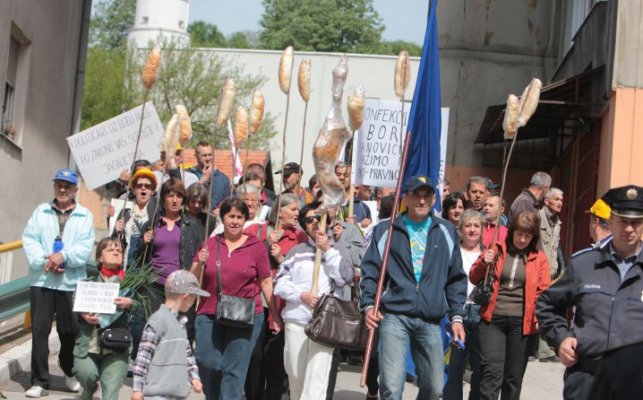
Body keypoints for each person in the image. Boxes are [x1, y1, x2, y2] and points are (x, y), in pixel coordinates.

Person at [361, 175, 467, 399]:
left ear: (434, 198)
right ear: (405, 198)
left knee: (435, 387)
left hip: (431, 318)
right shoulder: (386, 230)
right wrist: (369, 305)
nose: (421, 200)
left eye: (426, 195)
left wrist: (457, 317)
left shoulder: (447, 232)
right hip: (394, 316)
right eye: (416, 195)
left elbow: (456, 278)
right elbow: (370, 271)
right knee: (391, 386)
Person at [536, 185, 643, 400]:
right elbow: (547, 304)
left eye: (636, 222)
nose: (629, 229)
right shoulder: (584, 264)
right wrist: (561, 339)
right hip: (586, 380)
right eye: (623, 221)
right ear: (610, 221)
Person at [190, 198, 282, 399]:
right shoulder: (209, 244)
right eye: (231, 216)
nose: (235, 221)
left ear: (245, 220)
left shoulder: (256, 246)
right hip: (208, 312)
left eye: (240, 217)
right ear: (222, 218)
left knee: (234, 370)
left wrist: (274, 314)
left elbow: (266, 282)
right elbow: (193, 279)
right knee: (207, 363)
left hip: (246, 315)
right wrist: (199, 263)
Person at [22, 168, 95, 398]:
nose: (62, 189)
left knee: (70, 331)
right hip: (42, 280)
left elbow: (85, 246)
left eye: (67, 185)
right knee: (39, 331)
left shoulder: (85, 215)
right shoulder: (40, 211)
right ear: (54, 187)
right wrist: (43, 260)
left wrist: (63, 257)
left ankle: (68, 370)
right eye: (58, 185)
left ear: (75, 189)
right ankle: (40, 381)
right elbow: (29, 239)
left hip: (70, 282)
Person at [274, 201, 354, 399]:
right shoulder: (296, 251)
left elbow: (345, 278)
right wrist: (302, 295)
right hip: (297, 321)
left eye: (319, 217)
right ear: (304, 224)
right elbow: (279, 284)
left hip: (325, 324)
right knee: (295, 373)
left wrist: (327, 249)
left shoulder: (338, 249)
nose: (315, 222)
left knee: (317, 378)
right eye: (309, 219)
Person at [469, 211, 551, 400]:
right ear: (512, 231)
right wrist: (484, 262)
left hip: (521, 324)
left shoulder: (539, 259)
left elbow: (543, 292)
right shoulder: (496, 248)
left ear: (533, 237)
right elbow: (474, 277)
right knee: (491, 373)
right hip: (492, 320)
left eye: (527, 235)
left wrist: (539, 317)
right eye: (519, 233)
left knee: (513, 379)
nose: (522, 239)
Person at [73, 238, 137, 400]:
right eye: (110, 250)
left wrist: (130, 303)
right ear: (100, 258)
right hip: (89, 346)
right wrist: (83, 313)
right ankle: (88, 390)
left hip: (117, 347)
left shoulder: (129, 284)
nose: (116, 252)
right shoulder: (89, 283)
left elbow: (143, 306)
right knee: (86, 375)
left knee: (110, 393)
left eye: (119, 251)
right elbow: (75, 299)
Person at [131, 270, 207, 400]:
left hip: (178, 393)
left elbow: (188, 355)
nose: (193, 303)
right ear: (186, 297)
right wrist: (137, 389)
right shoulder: (158, 320)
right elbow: (144, 356)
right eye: (194, 298)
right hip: (156, 394)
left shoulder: (181, 323)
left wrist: (194, 377)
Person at [444, 209, 484, 400]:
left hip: (479, 312)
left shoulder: (488, 255)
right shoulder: (453, 252)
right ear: (460, 229)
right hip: (456, 311)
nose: (472, 230)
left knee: (479, 367)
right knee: (454, 366)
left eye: (476, 225)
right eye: (468, 225)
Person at [112, 168, 158, 268]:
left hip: (146, 270)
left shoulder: (157, 212)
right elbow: (113, 242)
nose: (143, 188)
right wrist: (116, 232)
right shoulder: (125, 212)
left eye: (147, 186)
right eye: (139, 185)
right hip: (125, 268)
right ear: (134, 189)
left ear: (153, 190)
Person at [186, 140, 231, 210]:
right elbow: (186, 199)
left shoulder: (223, 179)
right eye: (204, 155)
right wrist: (202, 180)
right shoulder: (187, 175)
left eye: (210, 155)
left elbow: (227, 202)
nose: (208, 158)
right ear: (196, 156)